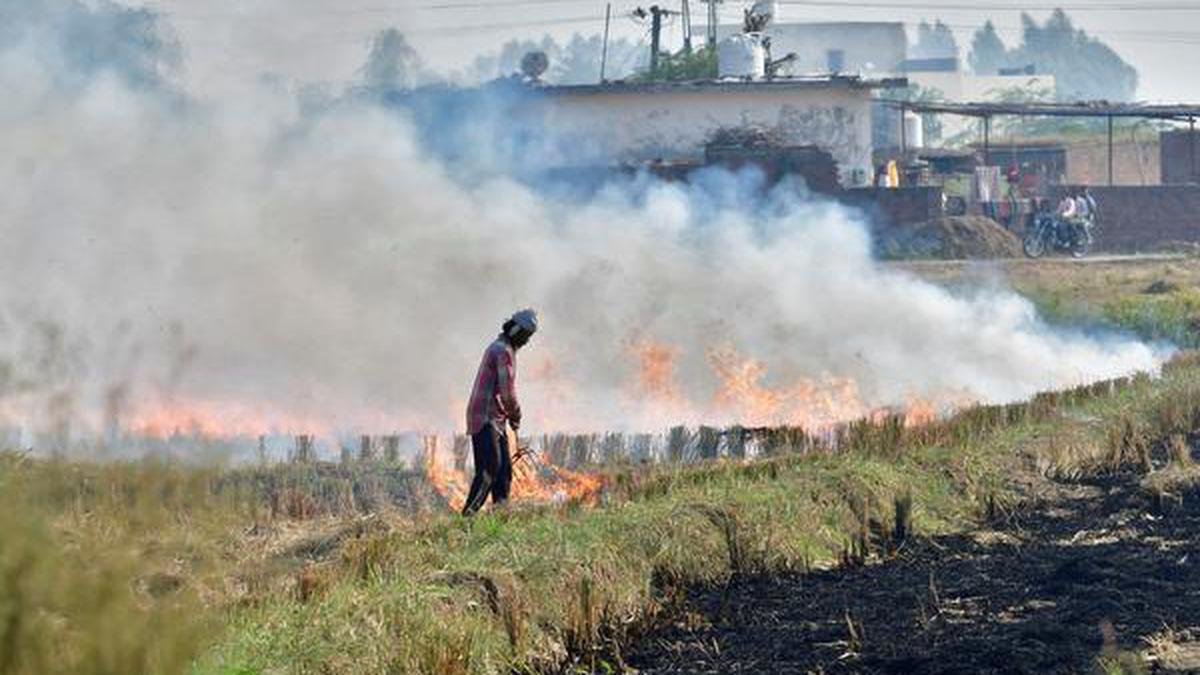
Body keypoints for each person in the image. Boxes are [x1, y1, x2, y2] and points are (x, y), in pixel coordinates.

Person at [461, 308, 538, 515]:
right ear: (516, 332)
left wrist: (510, 417)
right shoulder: (503, 351)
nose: (527, 341)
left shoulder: (502, 348)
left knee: (504, 473)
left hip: (495, 419)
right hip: (485, 418)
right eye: (526, 336)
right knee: (489, 469)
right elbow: (508, 394)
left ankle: (501, 517)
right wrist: (516, 416)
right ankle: (468, 517)